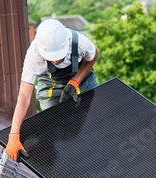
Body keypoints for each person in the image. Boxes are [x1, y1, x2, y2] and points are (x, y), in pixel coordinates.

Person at [6, 19, 99, 162]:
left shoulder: (78, 42)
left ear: (66, 42)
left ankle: (91, 149)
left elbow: (94, 55)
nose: (55, 62)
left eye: (58, 56)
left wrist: (75, 81)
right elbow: (24, 96)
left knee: (90, 118)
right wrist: (14, 135)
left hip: (81, 79)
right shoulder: (34, 55)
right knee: (51, 122)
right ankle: (52, 150)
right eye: (51, 57)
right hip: (51, 85)